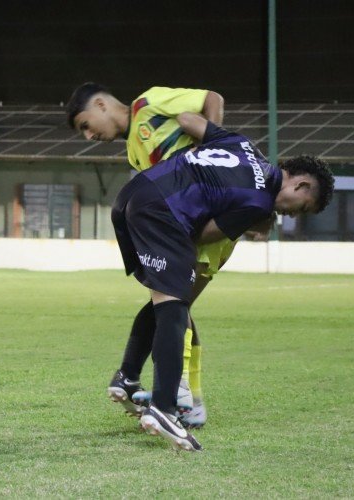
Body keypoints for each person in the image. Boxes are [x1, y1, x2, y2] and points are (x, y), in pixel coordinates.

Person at [111, 117, 334, 451]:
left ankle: (128, 378)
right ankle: (164, 408)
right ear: (300, 186)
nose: (290, 214)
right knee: (175, 305)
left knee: (164, 299)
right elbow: (204, 234)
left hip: (132, 194)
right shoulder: (258, 202)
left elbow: (189, 120)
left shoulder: (243, 143)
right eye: (300, 208)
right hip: (161, 211)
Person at [67, 82, 232, 428]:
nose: (88, 136)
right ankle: (181, 393)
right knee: (171, 304)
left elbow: (211, 99)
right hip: (185, 229)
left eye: (85, 124)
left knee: (174, 305)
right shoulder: (133, 151)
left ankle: (181, 393)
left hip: (213, 224)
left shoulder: (150, 102)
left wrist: (215, 145)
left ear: (101, 104)